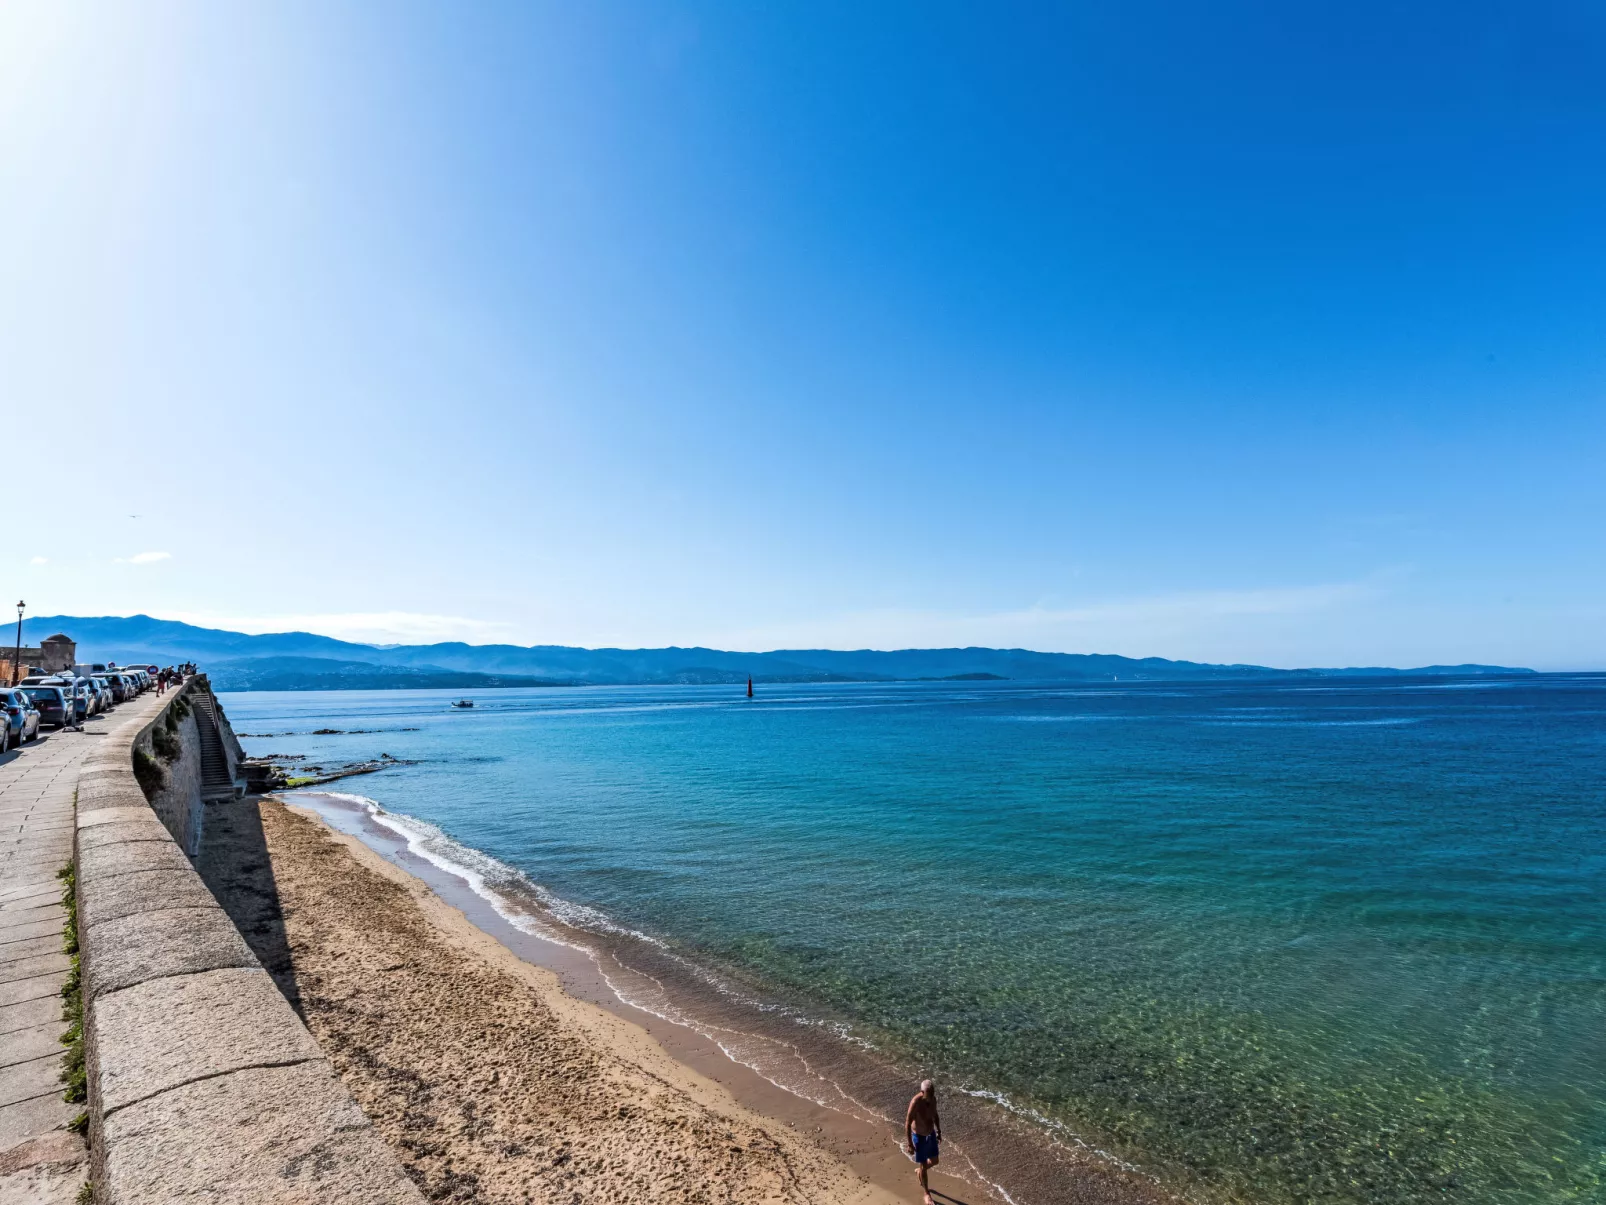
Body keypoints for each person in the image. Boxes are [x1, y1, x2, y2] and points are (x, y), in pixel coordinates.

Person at [905, 1079, 942, 1204]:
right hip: (919, 1136)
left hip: (930, 1133)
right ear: (922, 1092)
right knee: (923, 1166)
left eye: (932, 1093)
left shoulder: (933, 1099)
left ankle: (920, 1170)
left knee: (935, 1161)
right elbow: (908, 1122)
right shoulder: (916, 1102)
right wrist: (910, 1143)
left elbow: (935, 1115)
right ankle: (926, 1194)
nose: (931, 1096)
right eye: (928, 1093)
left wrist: (939, 1131)